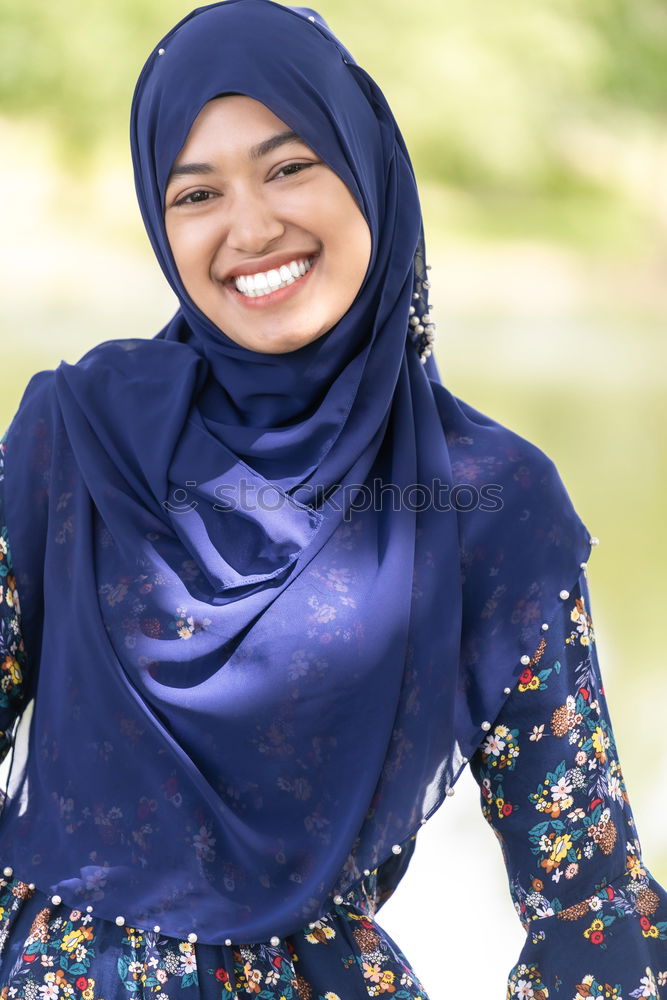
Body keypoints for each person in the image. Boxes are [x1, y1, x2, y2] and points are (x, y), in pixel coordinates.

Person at [0, 2, 665, 997]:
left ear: (366, 167)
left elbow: (588, 894)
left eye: (289, 166)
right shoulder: (78, 438)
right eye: (196, 194)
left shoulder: (485, 499)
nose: (250, 226)